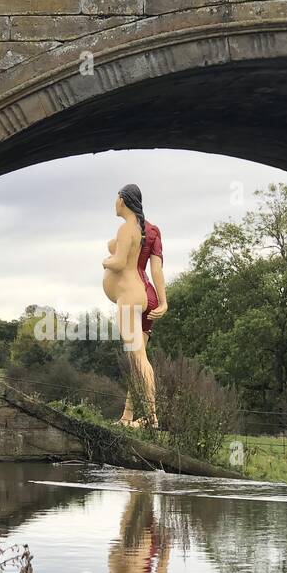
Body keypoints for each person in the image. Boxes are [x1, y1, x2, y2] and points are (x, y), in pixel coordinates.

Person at [101, 183, 167, 427]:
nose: (115, 202)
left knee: (138, 358)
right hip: (147, 294)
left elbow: (118, 263)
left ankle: (152, 417)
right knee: (136, 358)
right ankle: (128, 415)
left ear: (123, 200)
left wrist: (105, 261)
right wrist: (162, 300)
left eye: (116, 197)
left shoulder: (127, 228)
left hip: (131, 294)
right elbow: (156, 269)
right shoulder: (152, 230)